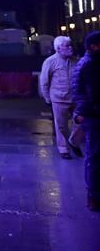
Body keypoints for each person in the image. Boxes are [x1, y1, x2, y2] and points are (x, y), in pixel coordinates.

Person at [40, 36, 84, 159]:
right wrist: (48, 99)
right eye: (67, 46)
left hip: (75, 99)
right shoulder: (50, 62)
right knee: (61, 126)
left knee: (81, 123)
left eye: (71, 45)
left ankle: (73, 142)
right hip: (59, 99)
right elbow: (44, 82)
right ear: (58, 49)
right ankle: (63, 149)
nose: (71, 48)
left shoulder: (76, 61)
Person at [73, 31, 100, 212]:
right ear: (94, 46)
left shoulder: (88, 62)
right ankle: (94, 196)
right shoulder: (92, 64)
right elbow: (91, 94)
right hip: (94, 117)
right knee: (95, 158)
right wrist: (84, 113)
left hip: (90, 115)